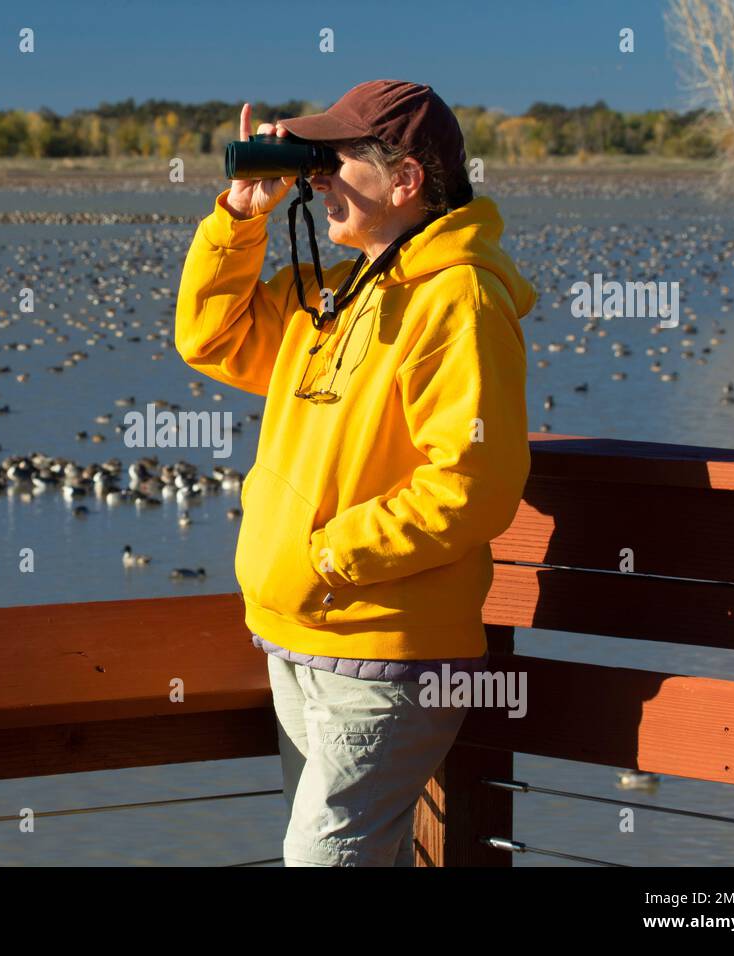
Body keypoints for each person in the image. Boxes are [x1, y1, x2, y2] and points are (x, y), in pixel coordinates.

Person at [174, 79, 534, 866]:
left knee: (324, 858)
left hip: (387, 653)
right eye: (316, 163)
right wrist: (240, 216)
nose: (318, 181)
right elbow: (213, 339)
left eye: (335, 163)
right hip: (298, 639)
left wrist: (331, 556)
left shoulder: (459, 299)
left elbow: (471, 483)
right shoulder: (335, 292)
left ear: (405, 181)